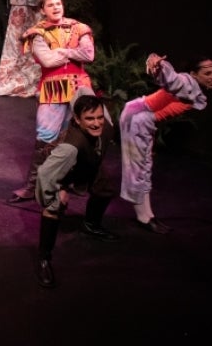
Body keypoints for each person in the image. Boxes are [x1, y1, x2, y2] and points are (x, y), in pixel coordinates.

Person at [120, 53, 212, 234]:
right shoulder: (185, 82)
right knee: (139, 168)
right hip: (138, 118)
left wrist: (211, 72)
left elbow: (188, 80)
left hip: (141, 117)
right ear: (193, 74)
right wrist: (160, 65)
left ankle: (147, 214)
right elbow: (171, 78)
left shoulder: (194, 83)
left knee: (144, 166)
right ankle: (144, 217)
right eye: (208, 73)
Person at [10, 0, 97, 202]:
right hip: (53, 89)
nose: (56, 7)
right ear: (43, 10)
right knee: (45, 137)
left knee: (88, 135)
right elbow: (47, 61)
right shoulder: (37, 33)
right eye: (50, 5)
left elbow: (88, 54)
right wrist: (71, 50)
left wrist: (62, 51)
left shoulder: (79, 27)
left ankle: (77, 181)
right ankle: (33, 186)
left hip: (80, 87)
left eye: (58, 3)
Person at [34, 94, 120, 289]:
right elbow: (45, 175)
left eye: (99, 117)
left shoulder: (106, 126)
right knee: (53, 209)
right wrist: (56, 194)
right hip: (64, 168)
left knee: (105, 189)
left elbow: (84, 91)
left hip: (89, 161)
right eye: (90, 119)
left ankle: (91, 224)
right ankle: (44, 259)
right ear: (77, 119)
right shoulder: (69, 147)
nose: (97, 123)